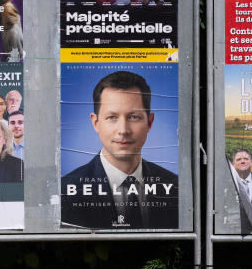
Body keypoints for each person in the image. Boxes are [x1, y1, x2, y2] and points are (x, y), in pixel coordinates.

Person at [60, 70, 178, 229]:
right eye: (112, 117)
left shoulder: (175, 186)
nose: (123, 130)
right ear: (95, 123)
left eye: (133, 117)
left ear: (149, 123)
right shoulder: (65, 192)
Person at [228, 148, 252, 232]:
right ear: (233, 165)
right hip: (234, 231)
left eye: (246, 159)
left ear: (251, 162)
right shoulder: (226, 184)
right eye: (239, 159)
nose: (243, 161)